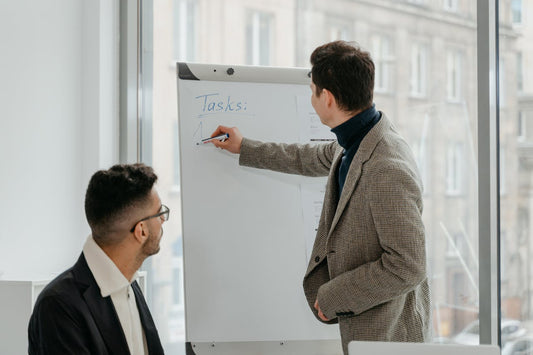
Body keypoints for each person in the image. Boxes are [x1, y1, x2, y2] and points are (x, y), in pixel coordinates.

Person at [209, 40, 430, 354]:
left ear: (326, 98)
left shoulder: (386, 167)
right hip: (369, 334)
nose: (311, 97)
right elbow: (307, 158)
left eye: (312, 89)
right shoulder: (357, 139)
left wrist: (334, 296)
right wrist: (244, 147)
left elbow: (407, 266)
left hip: (388, 339)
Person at [28, 163, 167, 355]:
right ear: (141, 230)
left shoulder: (130, 285)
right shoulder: (57, 305)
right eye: (160, 213)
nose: (163, 220)